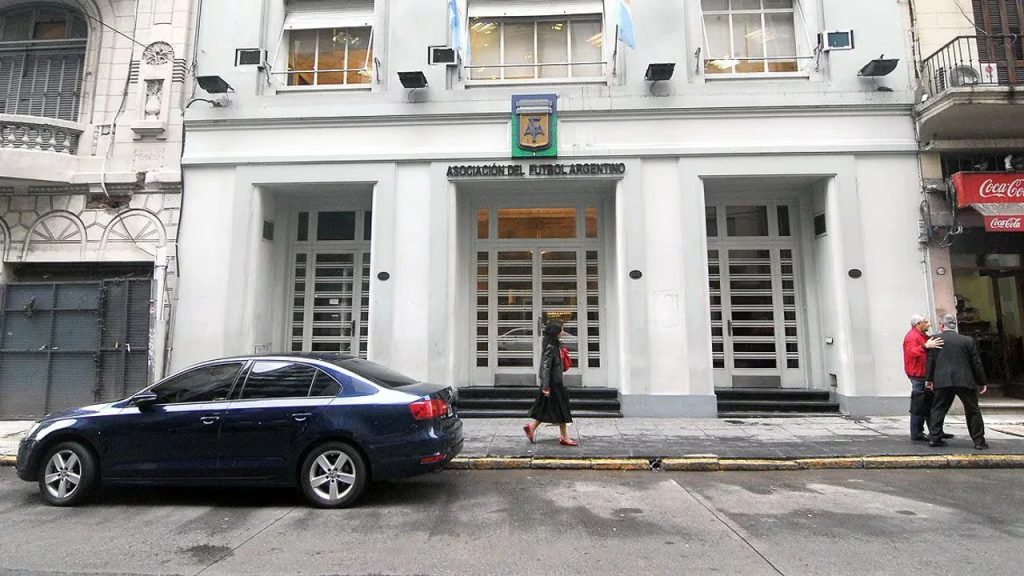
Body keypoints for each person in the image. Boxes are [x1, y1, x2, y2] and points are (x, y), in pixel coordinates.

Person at [925, 314, 989, 449]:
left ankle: (934, 438)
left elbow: (931, 362)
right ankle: (979, 441)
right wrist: (981, 381)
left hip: (943, 380)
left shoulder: (935, 340)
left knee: (938, 409)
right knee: (972, 410)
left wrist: (929, 379)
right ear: (954, 325)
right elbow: (976, 363)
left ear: (942, 325)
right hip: (964, 379)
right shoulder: (967, 341)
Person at [523, 319, 577, 447]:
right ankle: (564, 437)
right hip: (553, 384)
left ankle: (531, 428)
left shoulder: (556, 345)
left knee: (547, 409)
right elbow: (546, 367)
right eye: (561, 329)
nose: (563, 332)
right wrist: (546, 386)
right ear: (555, 331)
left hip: (555, 382)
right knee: (562, 409)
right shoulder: (551, 347)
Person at [902, 313, 951, 442]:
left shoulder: (921, 335)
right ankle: (917, 432)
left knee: (929, 403)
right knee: (919, 404)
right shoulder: (912, 336)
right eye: (925, 322)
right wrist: (925, 346)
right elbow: (911, 352)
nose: (928, 324)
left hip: (924, 374)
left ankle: (935, 431)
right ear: (918, 324)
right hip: (918, 374)